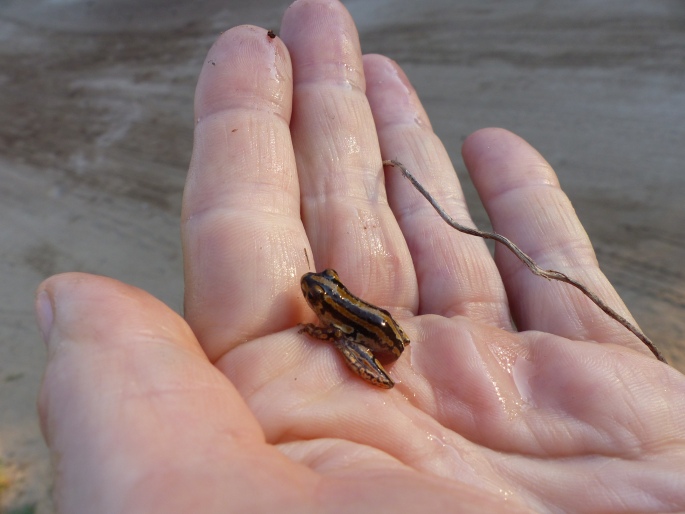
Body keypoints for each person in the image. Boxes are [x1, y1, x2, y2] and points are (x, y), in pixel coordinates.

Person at [34, 0, 685, 511]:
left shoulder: (334, 310)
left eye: (316, 290)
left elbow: (341, 320)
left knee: (347, 339)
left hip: (381, 336)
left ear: (325, 294)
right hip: (379, 324)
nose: (311, 290)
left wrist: (331, 331)